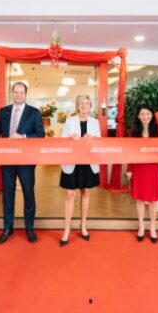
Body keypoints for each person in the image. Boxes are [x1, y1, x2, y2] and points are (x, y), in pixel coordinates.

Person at [0, 82, 45, 244]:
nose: (18, 95)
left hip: (26, 161)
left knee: (28, 194)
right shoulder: (4, 111)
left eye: (21, 92)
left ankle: (29, 228)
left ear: (26, 94)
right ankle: (7, 228)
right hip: (7, 159)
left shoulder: (34, 113)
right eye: (16, 92)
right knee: (7, 195)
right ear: (12, 93)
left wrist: (23, 136)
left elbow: (40, 134)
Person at [59, 95, 101, 247]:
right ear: (77, 106)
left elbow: (99, 142)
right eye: (81, 103)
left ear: (90, 106)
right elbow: (62, 140)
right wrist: (71, 137)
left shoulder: (95, 122)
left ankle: (83, 225)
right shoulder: (70, 121)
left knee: (86, 192)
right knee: (70, 194)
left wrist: (93, 138)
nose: (84, 105)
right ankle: (67, 228)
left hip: (88, 163)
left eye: (87, 103)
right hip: (72, 162)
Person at [126, 105, 158, 243]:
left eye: (148, 114)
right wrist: (129, 169)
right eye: (142, 114)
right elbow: (129, 152)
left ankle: (152, 227)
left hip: (152, 168)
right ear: (138, 116)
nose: (145, 116)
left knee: (153, 200)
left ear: (152, 116)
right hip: (138, 168)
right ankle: (141, 226)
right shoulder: (133, 132)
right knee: (139, 199)